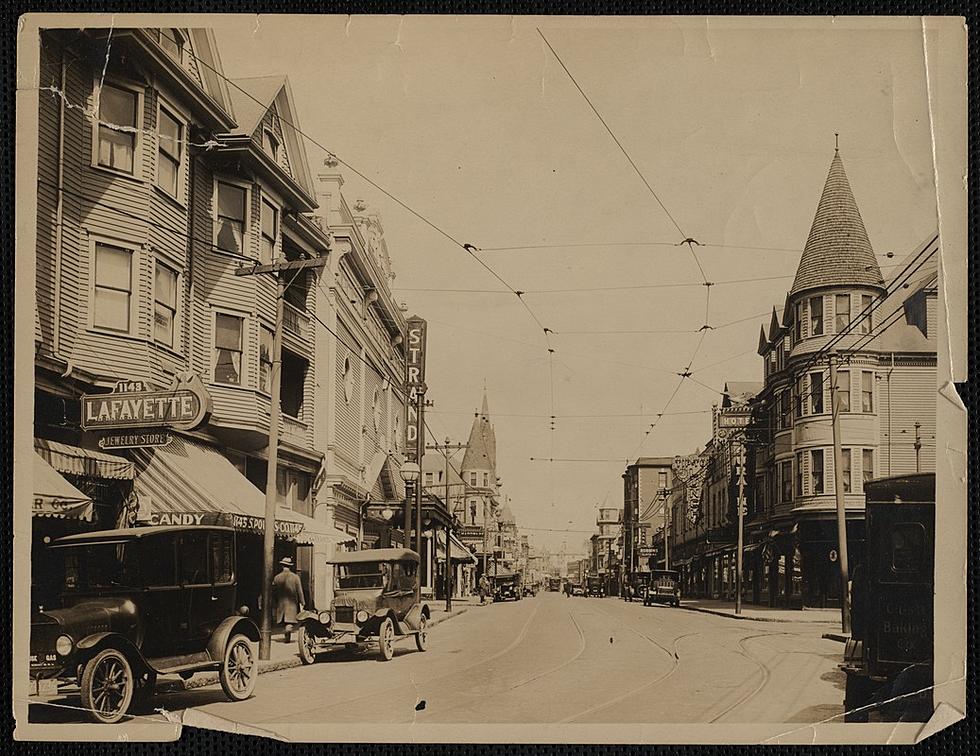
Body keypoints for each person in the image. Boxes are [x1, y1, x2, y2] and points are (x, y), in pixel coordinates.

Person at [272, 557, 305, 643]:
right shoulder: (295, 577)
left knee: (284, 621)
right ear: (290, 566)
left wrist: (275, 602)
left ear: (282, 566)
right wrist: (303, 602)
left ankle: (287, 635)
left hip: (281, 604)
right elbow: (300, 591)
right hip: (292, 604)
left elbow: (273, 592)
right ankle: (287, 632)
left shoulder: (276, 578)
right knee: (289, 621)